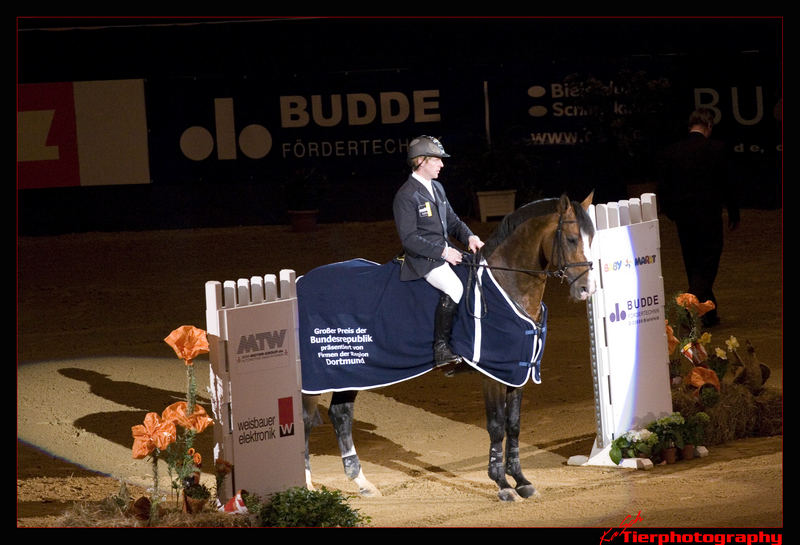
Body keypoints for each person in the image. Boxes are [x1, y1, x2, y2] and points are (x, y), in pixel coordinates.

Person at [393, 135, 484, 367]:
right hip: (422, 259)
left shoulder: (437, 188)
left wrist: (469, 236)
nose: (441, 164)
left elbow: (452, 221)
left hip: (444, 251)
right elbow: (409, 239)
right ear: (420, 161)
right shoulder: (406, 196)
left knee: (478, 272)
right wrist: (444, 253)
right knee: (454, 287)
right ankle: (441, 348)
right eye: (436, 160)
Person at [657, 108, 740, 327]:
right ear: (709, 126)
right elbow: (728, 184)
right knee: (707, 265)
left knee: (694, 264)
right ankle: (688, 303)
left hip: (684, 220)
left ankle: (709, 312)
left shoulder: (672, 152)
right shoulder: (717, 149)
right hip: (709, 217)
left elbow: (663, 188)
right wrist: (733, 211)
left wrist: (671, 212)